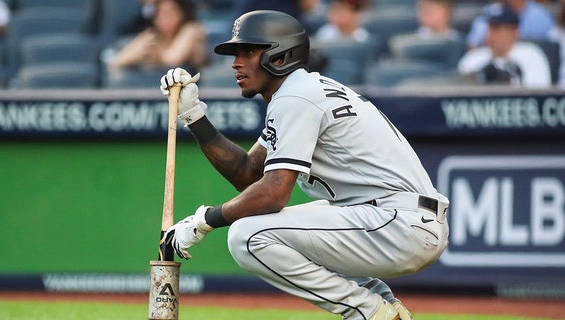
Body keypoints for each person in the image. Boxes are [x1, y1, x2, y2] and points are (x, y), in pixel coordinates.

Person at [159, 10, 449, 320]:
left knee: (247, 236)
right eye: (236, 53)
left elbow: (272, 194)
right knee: (275, 231)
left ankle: (370, 312)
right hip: (391, 219)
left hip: (398, 222)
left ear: (280, 57)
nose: (236, 63)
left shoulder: (297, 97)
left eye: (248, 51)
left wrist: (207, 220)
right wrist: (193, 115)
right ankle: (386, 307)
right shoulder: (300, 91)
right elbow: (248, 174)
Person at [457, 3, 552, 88]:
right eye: (489, 28)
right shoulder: (472, 59)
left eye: (496, 28)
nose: (490, 34)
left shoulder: (532, 55)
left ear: (515, 32)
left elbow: (538, 95)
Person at [109, 0, 207, 75]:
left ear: (182, 13)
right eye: (160, 13)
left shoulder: (192, 30)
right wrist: (140, 53)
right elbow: (117, 62)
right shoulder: (151, 35)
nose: (164, 17)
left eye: (169, 12)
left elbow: (172, 61)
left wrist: (155, 55)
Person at [466, 0, 555, 49]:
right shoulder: (491, 12)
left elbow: (550, 50)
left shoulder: (540, 15)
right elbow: (473, 46)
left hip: (529, 61)